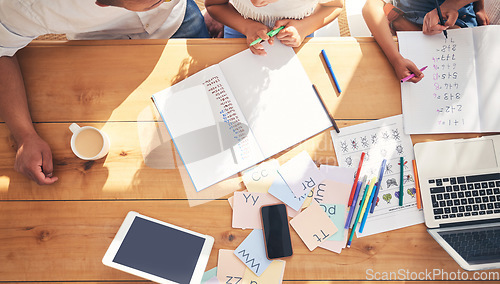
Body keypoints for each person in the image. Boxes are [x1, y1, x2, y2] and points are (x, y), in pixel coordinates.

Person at [0, 0, 210, 185]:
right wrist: (24, 136)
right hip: (100, 50)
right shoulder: (24, 7)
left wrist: (217, 10)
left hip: (179, 22)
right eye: (157, 1)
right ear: (101, 3)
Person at [362, 0, 489, 83]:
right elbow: (370, 7)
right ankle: (400, 22)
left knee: (455, 36)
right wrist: (396, 60)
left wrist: (474, 7)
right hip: (409, 15)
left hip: (457, 20)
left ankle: (399, 22)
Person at [205, 0, 344, 55]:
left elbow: (336, 6)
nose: (256, 2)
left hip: (300, 30)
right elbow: (214, 5)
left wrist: (303, 28)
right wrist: (246, 27)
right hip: (239, 24)